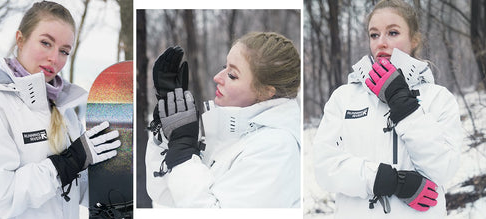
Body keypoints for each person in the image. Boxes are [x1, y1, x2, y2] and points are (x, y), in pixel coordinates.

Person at [0, 1, 120, 218]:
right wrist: (69, 162)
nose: (55, 58)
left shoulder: (65, 110)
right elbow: (1, 197)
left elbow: (77, 188)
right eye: (46, 43)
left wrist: (116, 181)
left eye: (64, 51)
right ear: (20, 39)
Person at [313, 0, 462, 217]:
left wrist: (405, 107)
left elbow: (444, 169)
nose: (381, 43)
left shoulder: (438, 98)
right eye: (374, 35)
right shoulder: (344, 98)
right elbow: (323, 167)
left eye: (392, 33)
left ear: (414, 39)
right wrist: (386, 180)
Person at [145, 32, 301, 207]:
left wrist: (183, 154)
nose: (217, 77)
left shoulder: (276, 148)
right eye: (224, 67)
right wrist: (169, 137)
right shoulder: (230, 134)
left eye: (232, 75)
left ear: (265, 92)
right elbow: (167, 196)